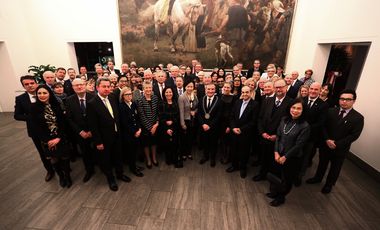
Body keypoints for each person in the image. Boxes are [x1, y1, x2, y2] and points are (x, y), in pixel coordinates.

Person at [306, 89, 364, 194]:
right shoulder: (330, 111)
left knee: (335, 167)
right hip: (326, 144)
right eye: (342, 99)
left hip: (341, 148)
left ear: (354, 101)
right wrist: (327, 139)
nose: (344, 102)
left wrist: (337, 144)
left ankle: (329, 185)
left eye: (348, 99)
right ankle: (317, 178)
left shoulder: (358, 118)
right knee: (322, 163)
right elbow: (324, 127)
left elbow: (354, 135)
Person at [87, 77, 131, 191]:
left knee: (118, 156)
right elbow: (93, 125)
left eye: (108, 86)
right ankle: (111, 179)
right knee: (106, 159)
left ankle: (120, 174)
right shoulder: (92, 103)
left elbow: (116, 116)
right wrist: (98, 142)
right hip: (104, 138)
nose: (107, 89)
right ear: (97, 88)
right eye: (104, 86)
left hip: (117, 134)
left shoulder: (112, 97)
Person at [267, 98, 310, 206]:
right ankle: (274, 192)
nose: (295, 110)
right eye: (293, 107)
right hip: (278, 153)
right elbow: (278, 137)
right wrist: (276, 152)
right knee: (275, 175)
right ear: (289, 108)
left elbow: (299, 145)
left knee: (286, 179)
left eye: (299, 109)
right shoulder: (284, 119)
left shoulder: (305, 126)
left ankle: (281, 198)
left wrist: (285, 157)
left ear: (303, 111)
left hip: (292, 157)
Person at [30, 85, 72, 188]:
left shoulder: (56, 105)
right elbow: (36, 127)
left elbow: (63, 124)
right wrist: (47, 140)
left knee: (65, 158)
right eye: (39, 93)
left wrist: (58, 137)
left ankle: (67, 176)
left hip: (60, 137)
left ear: (49, 94)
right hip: (47, 140)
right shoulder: (34, 108)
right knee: (54, 160)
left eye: (45, 93)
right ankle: (61, 177)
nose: (42, 95)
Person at [14, 75, 55, 182]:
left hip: (51, 127)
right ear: (23, 86)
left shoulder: (44, 93)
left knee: (56, 148)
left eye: (32, 83)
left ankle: (62, 168)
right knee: (43, 152)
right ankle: (50, 170)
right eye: (26, 84)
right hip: (35, 130)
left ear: (36, 83)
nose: (30, 86)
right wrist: (32, 117)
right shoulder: (20, 99)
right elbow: (17, 115)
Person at [253, 79, 293, 181]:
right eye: (277, 87)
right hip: (265, 136)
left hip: (279, 139)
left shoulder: (291, 103)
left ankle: (272, 180)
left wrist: (277, 136)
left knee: (275, 162)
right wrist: (262, 132)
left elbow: (290, 123)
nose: (279, 89)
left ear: (286, 87)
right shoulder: (267, 100)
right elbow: (260, 118)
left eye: (281, 87)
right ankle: (262, 174)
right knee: (264, 157)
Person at [295, 82, 328, 186]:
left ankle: (299, 177)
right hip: (296, 135)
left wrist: (304, 128)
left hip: (310, 137)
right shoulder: (301, 100)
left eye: (316, 89)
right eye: (312, 89)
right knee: (295, 155)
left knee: (305, 158)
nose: (313, 91)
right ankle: (291, 173)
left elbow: (321, 123)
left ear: (320, 91)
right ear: (309, 89)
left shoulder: (323, 105)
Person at [65, 78, 96, 183]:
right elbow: (69, 119)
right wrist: (80, 132)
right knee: (85, 152)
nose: (79, 87)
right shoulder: (69, 100)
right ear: (73, 87)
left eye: (81, 84)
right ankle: (89, 170)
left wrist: (92, 130)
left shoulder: (94, 97)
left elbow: (98, 116)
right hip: (80, 133)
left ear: (85, 85)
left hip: (94, 131)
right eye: (76, 85)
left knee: (97, 150)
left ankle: (102, 167)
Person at [226, 86, 259, 178]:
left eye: (247, 92)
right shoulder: (237, 102)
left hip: (246, 133)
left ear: (251, 92)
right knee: (233, 149)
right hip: (234, 131)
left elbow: (253, 121)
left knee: (244, 152)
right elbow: (232, 116)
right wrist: (233, 128)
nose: (244, 94)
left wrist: (241, 129)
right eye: (243, 92)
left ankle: (243, 168)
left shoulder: (255, 104)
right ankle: (234, 165)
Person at [119, 87, 144, 177]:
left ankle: (134, 165)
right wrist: (134, 132)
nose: (129, 96)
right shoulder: (121, 106)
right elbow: (124, 123)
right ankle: (133, 168)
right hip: (129, 134)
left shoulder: (133, 104)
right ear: (122, 96)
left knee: (135, 150)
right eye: (127, 94)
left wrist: (139, 128)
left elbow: (137, 117)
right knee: (131, 152)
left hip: (137, 131)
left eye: (130, 94)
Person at [137, 81, 160, 169]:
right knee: (146, 144)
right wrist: (150, 128)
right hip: (145, 127)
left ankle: (154, 158)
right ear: (143, 89)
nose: (148, 89)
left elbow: (158, 112)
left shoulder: (155, 98)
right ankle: (148, 159)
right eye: (146, 88)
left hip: (155, 125)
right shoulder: (140, 100)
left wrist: (156, 124)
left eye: (149, 87)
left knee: (154, 143)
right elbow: (141, 116)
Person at [198, 84, 222, 167]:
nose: (210, 91)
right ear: (205, 90)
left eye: (212, 89)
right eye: (209, 89)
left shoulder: (219, 100)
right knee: (205, 142)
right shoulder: (201, 99)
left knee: (213, 143)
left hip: (214, 127)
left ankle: (212, 158)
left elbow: (218, 115)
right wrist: (203, 124)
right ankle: (205, 156)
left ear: (215, 90)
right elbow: (199, 114)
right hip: (203, 126)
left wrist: (210, 125)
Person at [159, 87, 180, 167]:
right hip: (165, 128)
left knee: (175, 144)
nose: (168, 94)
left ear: (173, 93)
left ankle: (175, 159)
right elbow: (160, 116)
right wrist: (167, 128)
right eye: (166, 92)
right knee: (167, 144)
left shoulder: (176, 102)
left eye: (170, 92)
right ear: (164, 93)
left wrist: (172, 122)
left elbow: (178, 115)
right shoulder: (161, 103)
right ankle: (168, 159)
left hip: (175, 126)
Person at [178, 81, 198, 162]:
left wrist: (195, 112)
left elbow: (197, 107)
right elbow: (181, 111)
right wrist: (182, 124)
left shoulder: (195, 96)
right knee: (184, 139)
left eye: (191, 86)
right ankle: (183, 154)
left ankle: (189, 153)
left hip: (193, 120)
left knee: (190, 138)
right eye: (188, 86)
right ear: (185, 87)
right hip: (185, 120)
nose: (190, 88)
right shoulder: (182, 97)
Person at [219, 82, 236, 164]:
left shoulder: (234, 98)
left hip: (228, 123)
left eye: (228, 87)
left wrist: (229, 126)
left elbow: (233, 113)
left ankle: (227, 157)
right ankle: (222, 155)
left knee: (227, 141)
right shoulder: (220, 96)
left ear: (231, 88)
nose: (226, 89)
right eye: (224, 87)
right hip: (219, 122)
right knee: (222, 140)